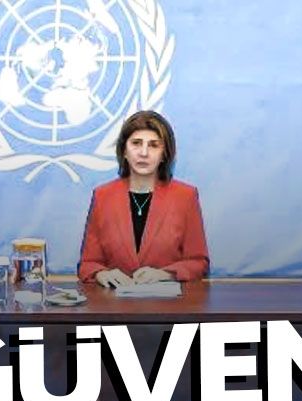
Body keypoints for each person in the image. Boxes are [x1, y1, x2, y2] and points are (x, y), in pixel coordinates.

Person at [77, 110, 210, 287]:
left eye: (154, 145)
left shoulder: (185, 196)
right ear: (124, 151)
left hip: (168, 302)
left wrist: (166, 274)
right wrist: (101, 274)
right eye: (136, 143)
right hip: (114, 302)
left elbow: (198, 262)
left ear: (164, 154)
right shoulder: (103, 196)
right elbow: (88, 264)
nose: (144, 153)